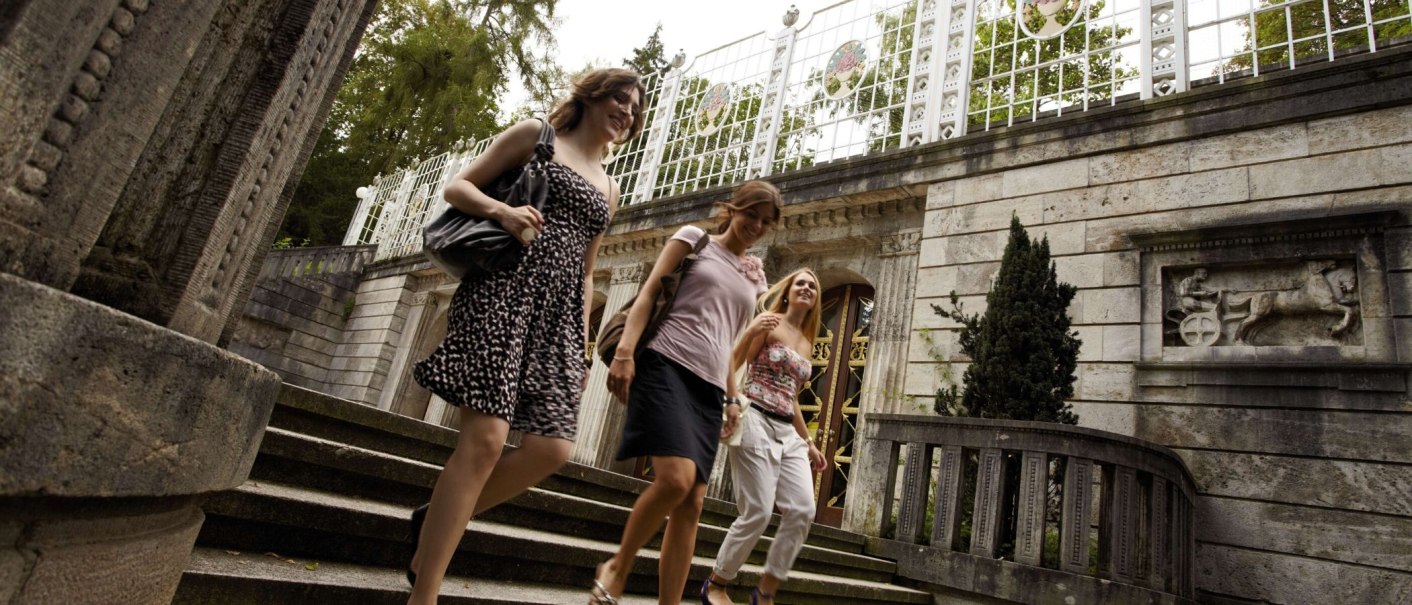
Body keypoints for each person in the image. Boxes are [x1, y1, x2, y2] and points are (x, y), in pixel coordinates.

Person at [405, 67, 645, 605]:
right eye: (619, 100)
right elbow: (457, 186)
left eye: (634, 109)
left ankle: (435, 519)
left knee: (553, 449)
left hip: (560, 319)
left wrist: (581, 346)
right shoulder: (536, 137)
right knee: (486, 442)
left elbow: (587, 272)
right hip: (502, 292)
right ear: (591, 97)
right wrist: (503, 210)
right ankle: (424, 591)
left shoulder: (610, 187)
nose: (627, 113)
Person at [593, 180, 783, 605]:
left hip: (711, 387)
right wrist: (625, 352)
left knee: (691, 506)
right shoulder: (693, 240)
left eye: (766, 222)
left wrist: (733, 398)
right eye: (751, 214)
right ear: (733, 208)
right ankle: (617, 566)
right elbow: (647, 298)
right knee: (675, 480)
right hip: (665, 365)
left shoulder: (755, 277)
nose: (756, 225)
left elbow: (728, 340)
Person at [701, 269, 828, 605]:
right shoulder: (769, 322)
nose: (806, 287)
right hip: (754, 417)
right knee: (758, 510)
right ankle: (716, 583)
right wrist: (750, 333)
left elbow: (793, 398)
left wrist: (811, 443)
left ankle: (765, 591)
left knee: (802, 509)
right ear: (787, 291)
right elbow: (733, 361)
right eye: (800, 282)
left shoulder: (807, 341)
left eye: (812, 285)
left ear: (815, 299)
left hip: (788, 430)